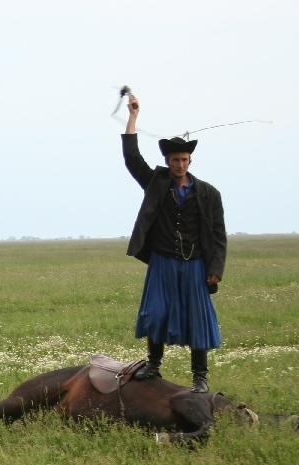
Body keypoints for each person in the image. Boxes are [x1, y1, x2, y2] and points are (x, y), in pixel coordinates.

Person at [121, 93, 226, 393]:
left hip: (195, 265)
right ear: (167, 161)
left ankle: (200, 377)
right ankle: (153, 364)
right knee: (155, 312)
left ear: (190, 160)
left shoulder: (209, 194)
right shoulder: (156, 182)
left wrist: (215, 269)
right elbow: (131, 159)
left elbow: (219, 235)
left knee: (197, 320)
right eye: (174, 160)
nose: (179, 164)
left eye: (184, 160)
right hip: (163, 261)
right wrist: (133, 118)